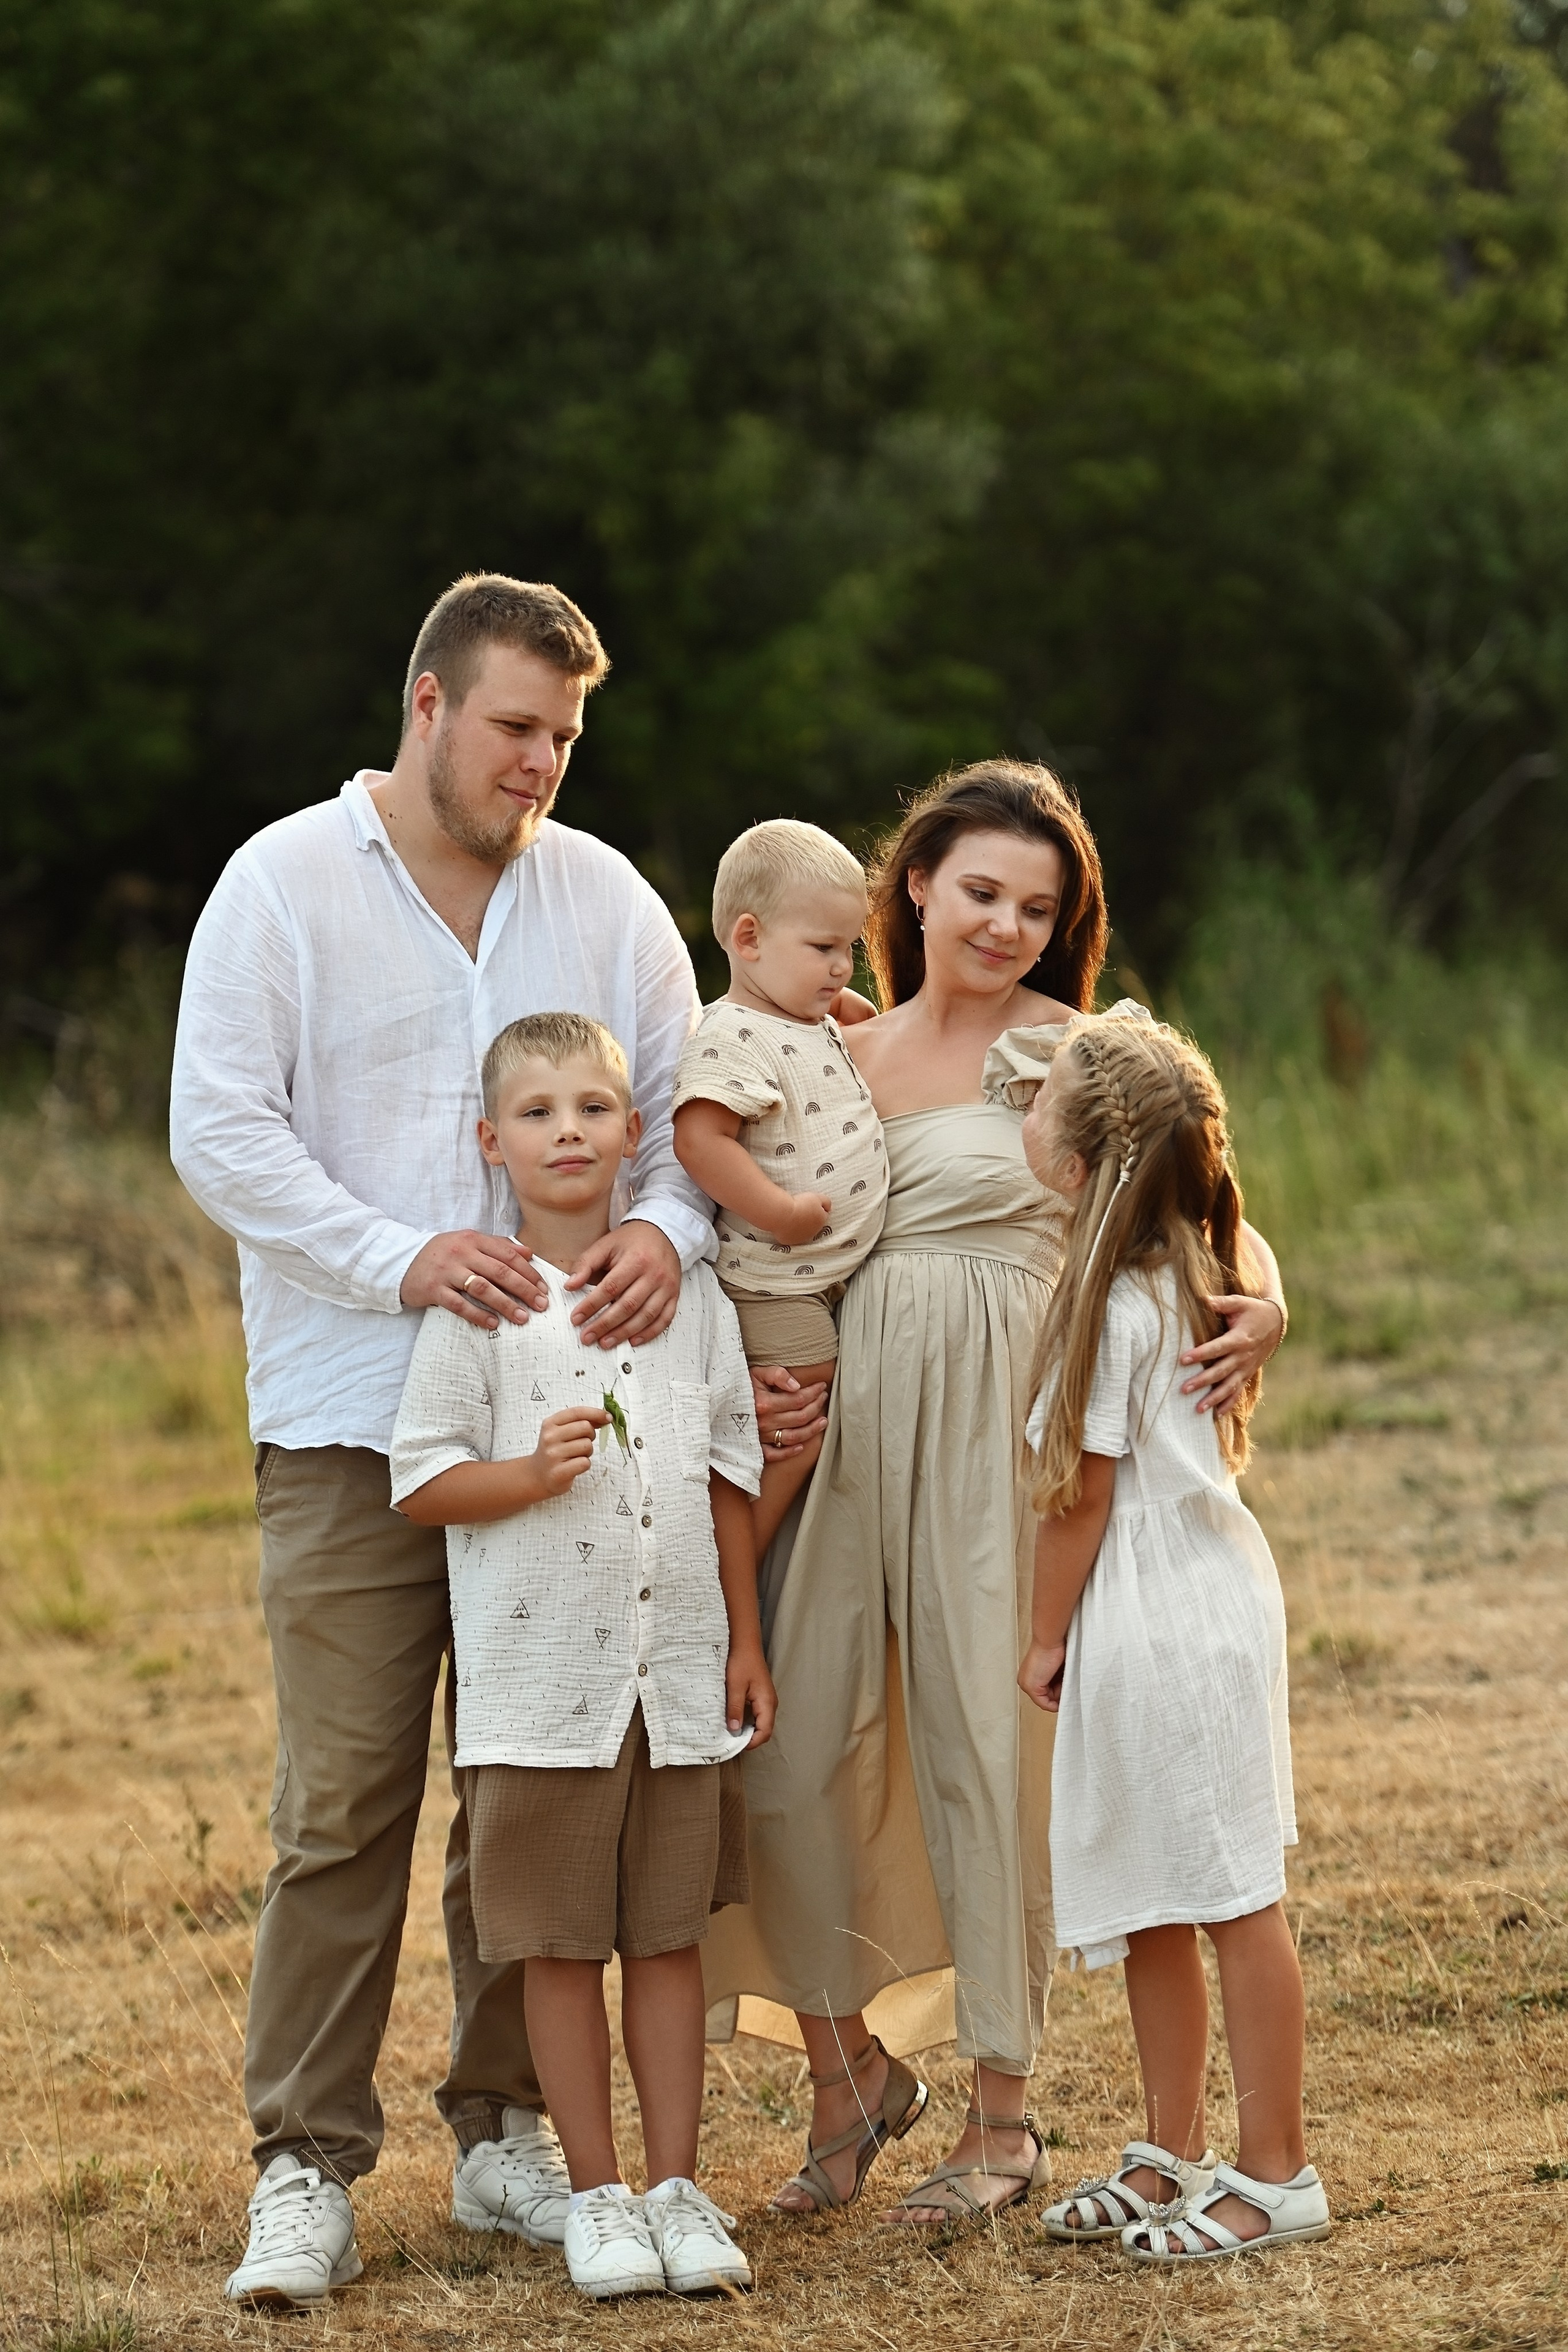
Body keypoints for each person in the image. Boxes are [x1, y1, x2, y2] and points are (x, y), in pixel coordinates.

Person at [169, 575, 724, 2310]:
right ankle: (305, 2166)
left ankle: (507, 2137)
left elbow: (684, 1127)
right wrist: (399, 1257)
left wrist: (667, 1238)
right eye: (514, 729)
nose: (542, 762)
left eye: (564, 734)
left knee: (534, 1789)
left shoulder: (609, 898)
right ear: (427, 706)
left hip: (575, 1439)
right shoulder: (279, 885)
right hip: (350, 1418)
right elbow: (220, 1132)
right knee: (343, 1803)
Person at [701, 760, 1290, 2226]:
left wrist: (1264, 1300)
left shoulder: (1078, 1051)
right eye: (980, 891)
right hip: (847, 1423)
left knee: (982, 1754)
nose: (1007, 924)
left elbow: (1205, 1200)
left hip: (1003, 1433)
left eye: (1038, 905)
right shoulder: (827, 1039)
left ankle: (1003, 2109)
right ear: (912, 883)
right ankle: (849, 2078)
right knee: (788, 1745)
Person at [390, 1013, 772, 2300]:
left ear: (633, 1133)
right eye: (539, 1113)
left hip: (673, 1684)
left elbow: (730, 1474)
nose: (569, 1133)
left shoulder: (689, 1298)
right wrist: (525, 1474)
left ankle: (676, 2186)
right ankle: (596, 2198)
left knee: (667, 1938)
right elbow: (421, 1481)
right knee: (558, 1946)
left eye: (594, 1109)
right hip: (539, 1689)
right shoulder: (483, 1307)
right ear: (490, 1140)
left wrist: (745, 1644)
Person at [1021, 1016, 1327, 2263]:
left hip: (1160, 1616)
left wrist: (1040, 1639)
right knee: (1156, 1894)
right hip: (1178, 1610)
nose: (1023, 1112)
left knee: (1230, 1895)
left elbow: (1082, 1496)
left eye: (1040, 1102)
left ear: (1087, 1162)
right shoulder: (1197, 1270)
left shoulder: (1121, 1305)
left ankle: (1277, 2170)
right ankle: (1171, 2152)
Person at [671, 820, 891, 1555]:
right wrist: (781, 1213)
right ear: (749, 938)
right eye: (824, 949)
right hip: (775, 1277)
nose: (843, 968)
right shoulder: (732, 1033)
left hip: (815, 1275)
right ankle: (728, 1554)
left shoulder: (806, 1016)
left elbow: (848, 1018)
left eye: (850, 949)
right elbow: (701, 1139)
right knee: (799, 1409)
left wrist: (847, 1008)